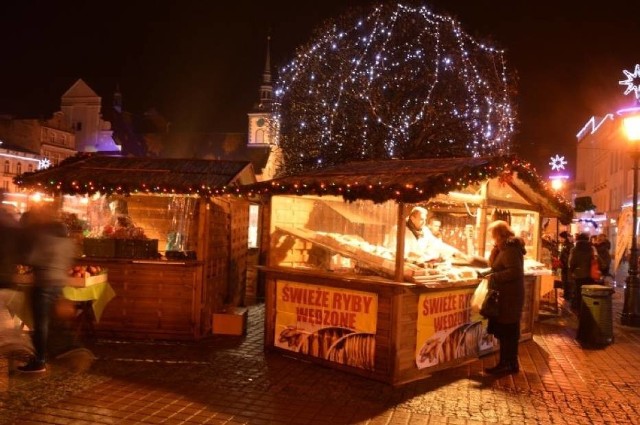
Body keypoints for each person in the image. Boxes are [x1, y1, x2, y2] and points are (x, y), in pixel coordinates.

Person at [17, 205, 75, 373]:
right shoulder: (68, 244)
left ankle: (39, 360)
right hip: (59, 284)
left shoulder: (44, 240)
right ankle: (60, 352)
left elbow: (31, 258)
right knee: (53, 321)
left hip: (44, 283)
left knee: (41, 323)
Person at [483, 220, 525, 375]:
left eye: (492, 234)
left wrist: (494, 277)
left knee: (508, 331)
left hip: (510, 297)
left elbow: (515, 271)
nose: (491, 238)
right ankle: (510, 363)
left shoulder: (510, 249)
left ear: (498, 234)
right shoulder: (503, 247)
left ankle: (506, 364)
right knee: (508, 331)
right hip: (508, 295)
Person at [568, 233, 594, 312]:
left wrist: (571, 271)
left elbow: (572, 262)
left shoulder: (575, 249)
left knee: (578, 291)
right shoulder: (591, 249)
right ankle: (586, 308)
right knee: (587, 292)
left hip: (578, 274)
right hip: (589, 274)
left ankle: (578, 308)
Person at [558, 231, 574, 301]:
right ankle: (566, 295)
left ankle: (568, 296)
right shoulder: (565, 245)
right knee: (565, 280)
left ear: (564, 238)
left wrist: (563, 261)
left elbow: (568, 256)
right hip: (564, 266)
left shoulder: (568, 246)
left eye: (561, 238)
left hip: (567, 266)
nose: (560, 239)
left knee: (567, 281)